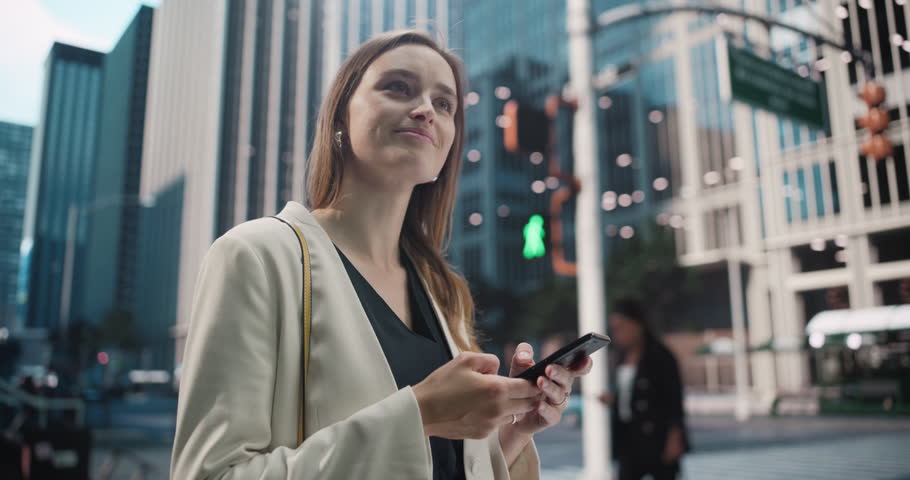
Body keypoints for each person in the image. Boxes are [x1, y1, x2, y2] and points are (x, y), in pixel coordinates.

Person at [170, 30, 593, 479]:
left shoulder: (440, 289)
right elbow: (211, 473)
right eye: (398, 87)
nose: (426, 109)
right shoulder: (256, 257)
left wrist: (513, 431)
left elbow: (440, 466)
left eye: (445, 103)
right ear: (340, 115)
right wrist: (420, 414)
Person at [599, 299, 689, 480]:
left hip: (657, 436)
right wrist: (614, 400)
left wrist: (675, 436)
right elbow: (630, 393)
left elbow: (674, 398)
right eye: (614, 329)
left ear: (637, 325)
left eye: (621, 327)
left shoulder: (660, 355)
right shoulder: (621, 357)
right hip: (629, 436)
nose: (617, 334)